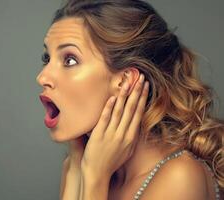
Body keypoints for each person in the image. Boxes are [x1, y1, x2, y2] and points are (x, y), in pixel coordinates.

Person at [36, 0, 223, 199]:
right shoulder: (79, 164)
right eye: (47, 58)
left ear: (125, 81)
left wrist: (94, 179)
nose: (42, 77)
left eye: (70, 60)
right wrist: (76, 166)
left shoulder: (180, 177)